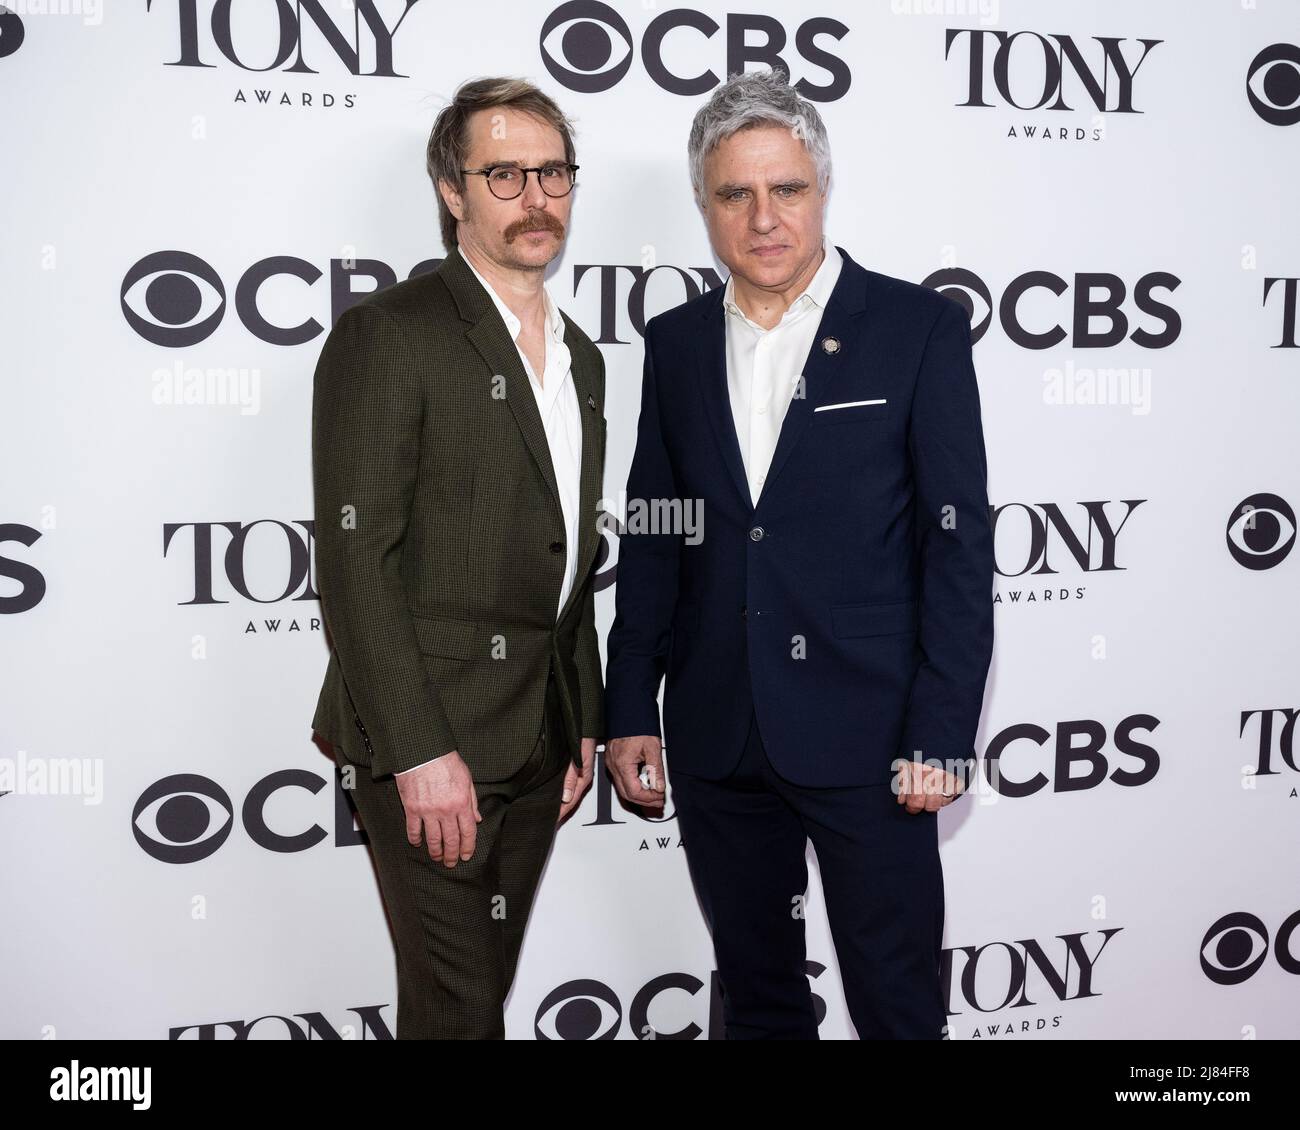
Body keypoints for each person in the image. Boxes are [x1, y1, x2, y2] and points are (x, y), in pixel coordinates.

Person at [604, 69, 995, 1039]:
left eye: (786, 189)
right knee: (758, 994)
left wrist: (940, 730)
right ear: (705, 207)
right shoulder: (676, 343)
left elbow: (955, 545)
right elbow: (657, 527)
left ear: (822, 191)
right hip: (718, 729)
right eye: (735, 193)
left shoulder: (916, 329)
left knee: (897, 1001)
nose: (763, 217)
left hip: (873, 735)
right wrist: (626, 706)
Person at [310, 77, 605, 1039]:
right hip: (432, 742)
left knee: (468, 1005)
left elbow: (570, 552)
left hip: (539, 737)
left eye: (553, 172)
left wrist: (580, 719)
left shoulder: (582, 356)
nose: (537, 198)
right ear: (453, 189)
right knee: (461, 1013)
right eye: (506, 173)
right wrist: (418, 750)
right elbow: (355, 559)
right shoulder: (392, 333)